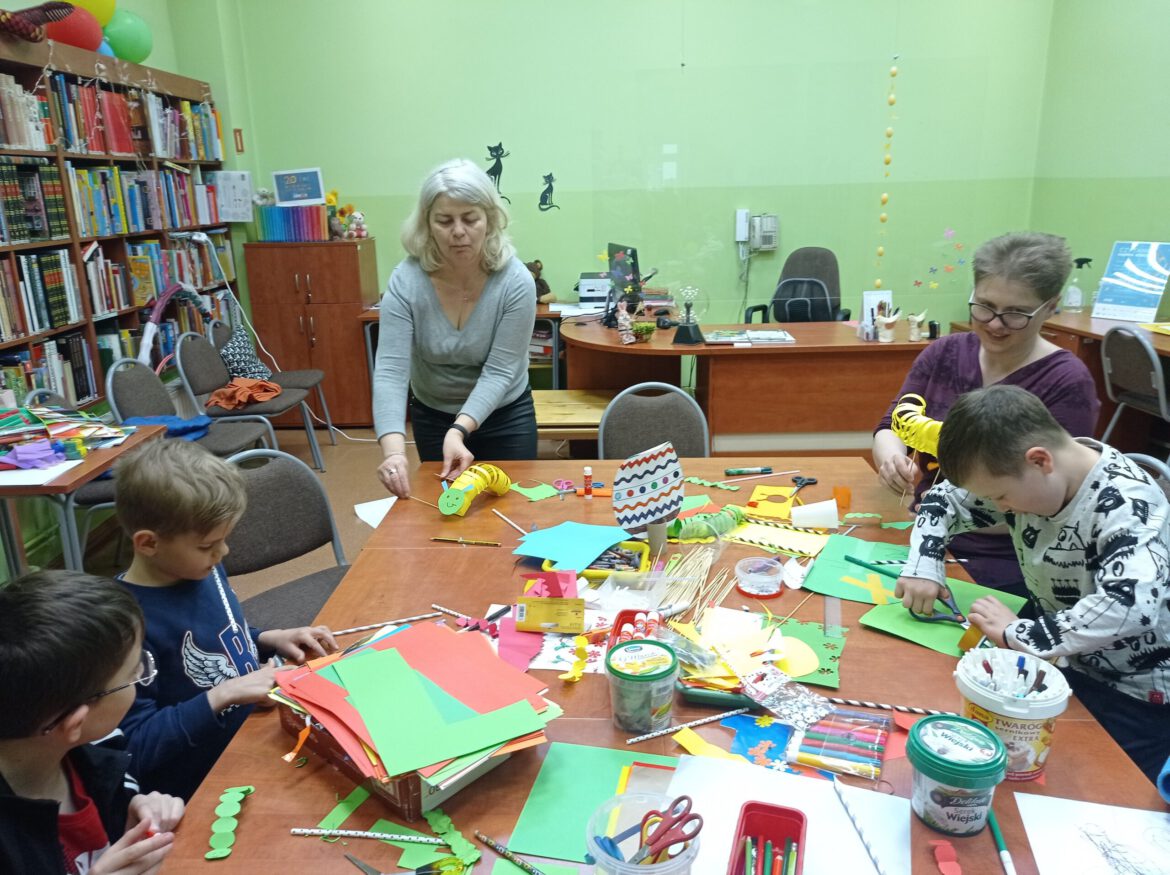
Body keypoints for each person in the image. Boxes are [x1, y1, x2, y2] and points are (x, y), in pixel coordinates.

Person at [895, 385, 1170, 782]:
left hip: (1135, 694)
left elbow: (1130, 606)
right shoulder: (1029, 471)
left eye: (1002, 496)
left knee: (1093, 787)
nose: (999, 507)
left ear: (1040, 460)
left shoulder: (1127, 505)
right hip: (1064, 662)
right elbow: (943, 502)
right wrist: (924, 565)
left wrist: (1020, 633)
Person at [873, 231, 1100, 596]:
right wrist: (892, 460)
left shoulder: (1067, 381)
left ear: (1050, 306)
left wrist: (943, 521)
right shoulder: (944, 353)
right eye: (984, 306)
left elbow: (1057, 499)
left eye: (1016, 314)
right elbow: (891, 425)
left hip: (1008, 558)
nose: (995, 323)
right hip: (921, 530)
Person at [113, 440, 338, 800]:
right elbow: (134, 748)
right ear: (149, 543)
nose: (223, 552)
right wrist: (223, 694)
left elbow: (217, 635)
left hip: (252, 738)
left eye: (224, 540)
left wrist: (267, 638)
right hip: (205, 783)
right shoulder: (122, 627)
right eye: (208, 545)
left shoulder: (199, 568)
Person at [0, 570, 185, 874]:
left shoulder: (96, 754)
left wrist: (131, 807)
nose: (142, 674)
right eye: (134, 673)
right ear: (76, 724)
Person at [373, 158, 537, 499]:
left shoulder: (515, 281)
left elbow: (500, 371)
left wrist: (459, 429)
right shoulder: (406, 281)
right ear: (427, 224)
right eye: (444, 220)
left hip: (505, 414)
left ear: (489, 219)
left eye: (470, 218)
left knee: (512, 506)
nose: (458, 231)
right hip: (433, 413)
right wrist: (393, 453)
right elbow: (390, 370)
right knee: (447, 509)